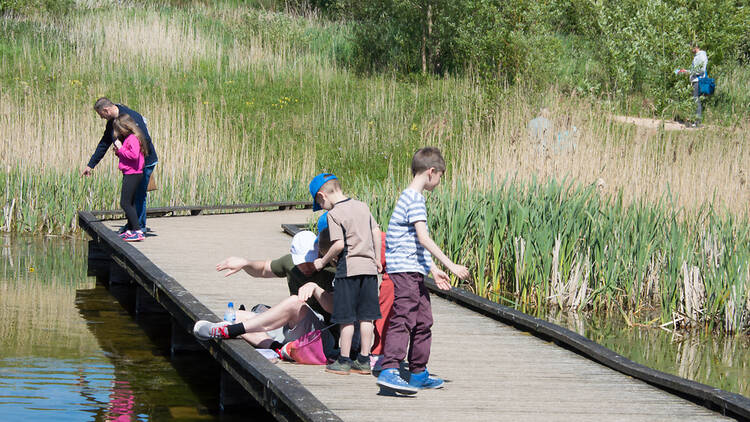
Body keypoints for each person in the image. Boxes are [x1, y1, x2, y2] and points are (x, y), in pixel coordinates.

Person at [376, 147, 471, 394]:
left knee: (423, 320)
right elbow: (423, 237)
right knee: (404, 317)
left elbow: (413, 242)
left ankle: (418, 372)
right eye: (440, 176)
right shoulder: (414, 199)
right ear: (431, 172)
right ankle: (390, 369)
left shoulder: (409, 198)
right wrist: (451, 265)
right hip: (405, 270)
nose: (439, 182)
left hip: (415, 269)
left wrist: (433, 268)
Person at [193, 231, 336, 358]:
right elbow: (263, 269)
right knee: (236, 316)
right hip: (293, 330)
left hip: (322, 337)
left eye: (310, 261)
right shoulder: (289, 263)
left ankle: (230, 330)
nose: (306, 267)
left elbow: (336, 308)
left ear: (319, 254)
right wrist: (246, 263)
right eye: (301, 262)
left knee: (294, 302)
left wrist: (316, 289)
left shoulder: (331, 269)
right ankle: (277, 348)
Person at [310, 172, 382, 375]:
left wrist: (322, 261)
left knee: (346, 318)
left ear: (322, 196)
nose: (321, 208)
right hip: (369, 270)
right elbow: (376, 231)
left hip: (348, 270)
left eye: (319, 203)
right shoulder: (363, 206)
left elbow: (339, 245)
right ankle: (364, 361)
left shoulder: (333, 214)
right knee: (367, 318)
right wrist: (376, 258)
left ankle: (343, 361)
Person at [83, 97, 158, 232]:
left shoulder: (131, 117)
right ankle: (132, 225)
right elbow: (104, 143)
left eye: (101, 115)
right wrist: (91, 165)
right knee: (130, 196)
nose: (101, 118)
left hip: (143, 162)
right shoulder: (112, 122)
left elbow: (144, 139)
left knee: (138, 195)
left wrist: (125, 151)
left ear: (106, 110)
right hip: (130, 164)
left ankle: (139, 227)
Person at [112, 114, 148, 242]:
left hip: (133, 174)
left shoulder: (132, 138)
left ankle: (137, 231)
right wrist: (119, 152)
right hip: (131, 172)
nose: (118, 132)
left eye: (119, 129)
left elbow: (134, 156)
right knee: (130, 202)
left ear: (125, 127)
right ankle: (131, 230)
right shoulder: (130, 138)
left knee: (125, 203)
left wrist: (121, 148)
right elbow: (129, 155)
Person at [678, 44, 708, 127]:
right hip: (695, 80)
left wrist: (689, 72)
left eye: (691, 47)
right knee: (695, 100)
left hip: (698, 81)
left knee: (696, 100)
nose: (690, 49)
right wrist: (686, 71)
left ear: (696, 47)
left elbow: (701, 69)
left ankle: (697, 122)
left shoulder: (701, 56)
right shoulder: (697, 56)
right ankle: (696, 121)